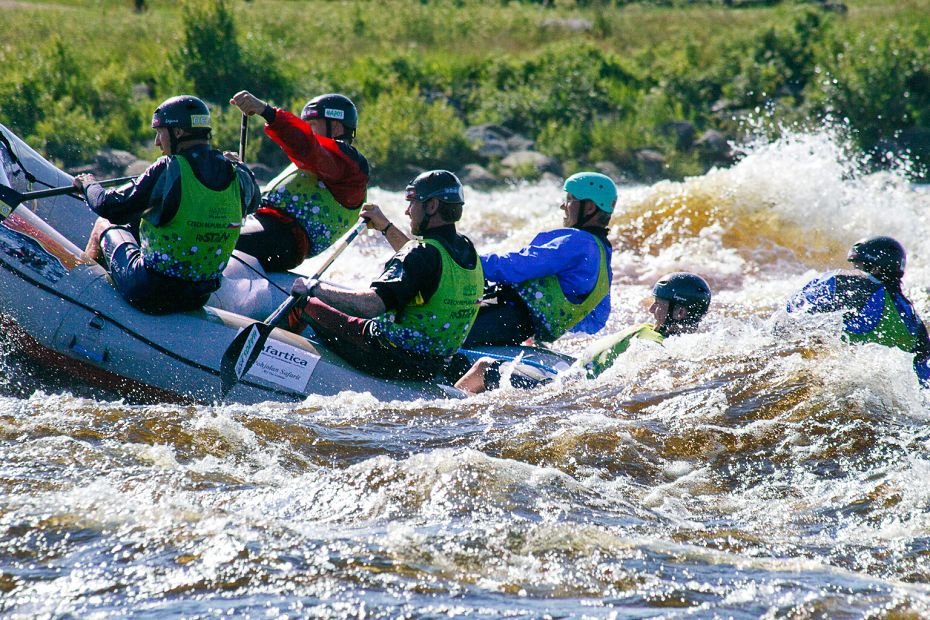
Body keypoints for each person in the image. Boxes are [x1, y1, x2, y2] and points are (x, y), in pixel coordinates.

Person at [286, 170, 484, 381]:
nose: (408, 211)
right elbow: (421, 267)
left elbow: (371, 306)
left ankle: (276, 355)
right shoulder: (466, 249)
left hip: (387, 357)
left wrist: (314, 288)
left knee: (303, 302)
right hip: (432, 365)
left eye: (412, 202)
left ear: (432, 206)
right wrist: (386, 227)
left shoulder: (421, 254)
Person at [73, 95, 261, 314]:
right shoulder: (237, 173)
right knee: (144, 221)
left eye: (159, 133)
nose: (157, 142)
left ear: (178, 132)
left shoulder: (169, 168)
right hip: (198, 295)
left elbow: (110, 208)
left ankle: (80, 297)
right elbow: (253, 204)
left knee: (103, 224)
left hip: (149, 291)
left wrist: (88, 184)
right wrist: (238, 165)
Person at [455, 272, 712, 394]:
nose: (653, 308)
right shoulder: (656, 334)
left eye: (660, 304)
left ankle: (458, 413)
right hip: (572, 374)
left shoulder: (651, 344)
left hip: (568, 387)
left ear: (679, 312)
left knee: (483, 367)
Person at [463, 171, 617, 347]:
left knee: (444, 335)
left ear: (589, 207)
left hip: (508, 318)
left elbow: (519, 265)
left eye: (569, 199)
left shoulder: (577, 242)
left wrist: (469, 262)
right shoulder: (602, 250)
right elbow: (598, 317)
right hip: (522, 326)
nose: (563, 206)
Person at [229, 90, 370, 271]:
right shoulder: (315, 162)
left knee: (219, 238)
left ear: (335, 127)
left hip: (282, 239)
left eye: (311, 125)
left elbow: (307, 146)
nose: (306, 131)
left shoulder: (350, 168)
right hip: (264, 227)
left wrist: (267, 112)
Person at [787, 235, 930, 385]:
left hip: (836, 378)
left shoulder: (857, 285)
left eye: (859, 266)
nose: (855, 271)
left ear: (875, 268)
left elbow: (793, 308)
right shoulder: (915, 323)